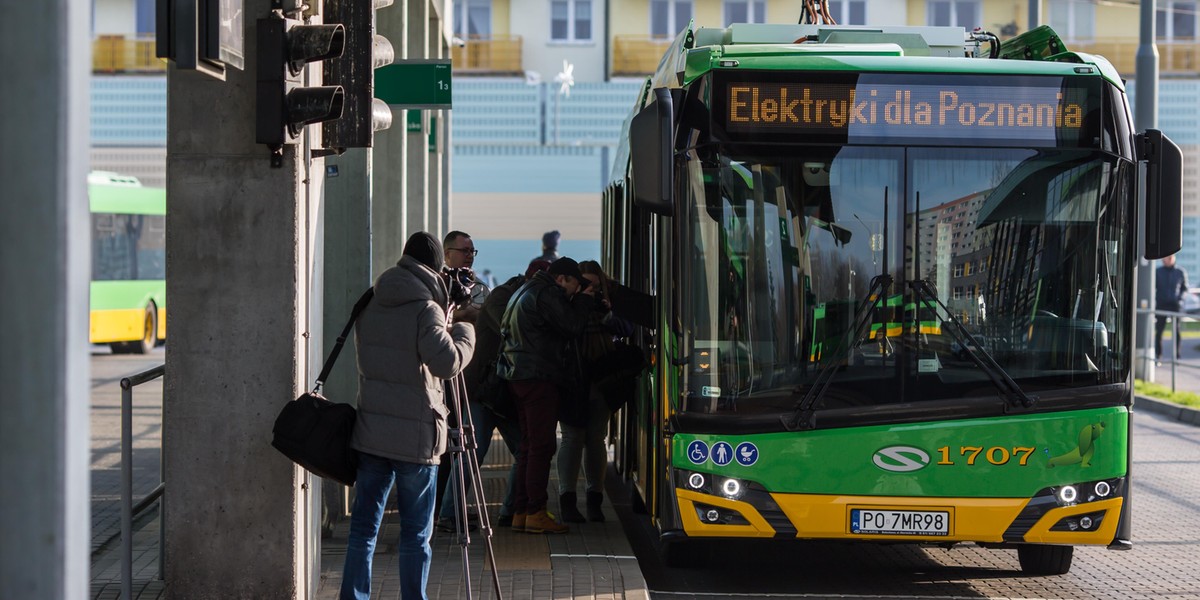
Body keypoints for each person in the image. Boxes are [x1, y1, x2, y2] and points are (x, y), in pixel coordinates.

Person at [340, 231, 475, 600]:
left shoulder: (372, 299)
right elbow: (446, 363)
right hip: (415, 441)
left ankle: (354, 596)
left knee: (364, 529)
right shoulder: (425, 309)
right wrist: (463, 332)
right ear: (434, 266)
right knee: (416, 533)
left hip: (371, 432)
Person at [435, 259, 551, 532]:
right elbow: (510, 328)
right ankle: (450, 514)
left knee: (524, 449)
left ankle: (509, 510)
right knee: (473, 452)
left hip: (502, 392)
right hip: (485, 391)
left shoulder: (513, 297)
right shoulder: (503, 297)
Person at [498, 257, 595, 534]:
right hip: (538, 377)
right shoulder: (547, 293)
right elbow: (572, 326)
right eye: (574, 286)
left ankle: (521, 512)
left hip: (517, 376)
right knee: (541, 447)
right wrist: (584, 303)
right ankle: (536, 513)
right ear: (562, 279)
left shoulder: (524, 290)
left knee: (529, 446)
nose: (574, 293)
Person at [556, 260, 648, 523]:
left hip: (602, 379)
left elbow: (629, 328)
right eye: (585, 285)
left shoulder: (609, 305)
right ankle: (567, 499)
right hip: (574, 378)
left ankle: (594, 497)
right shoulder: (565, 304)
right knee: (572, 438)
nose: (591, 291)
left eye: (595, 286)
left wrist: (608, 313)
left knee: (595, 438)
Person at [1156, 253, 1190, 362]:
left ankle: (1177, 356)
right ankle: (1158, 356)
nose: (1167, 259)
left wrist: (1180, 300)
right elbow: (1152, 287)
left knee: (1177, 331)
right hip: (1162, 305)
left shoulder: (1180, 272)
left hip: (1175, 306)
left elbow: (1185, 289)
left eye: (1169, 257)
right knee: (1159, 331)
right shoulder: (1158, 272)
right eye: (1166, 257)